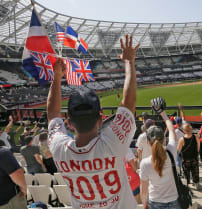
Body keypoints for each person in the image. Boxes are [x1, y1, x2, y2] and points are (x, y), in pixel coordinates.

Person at [47, 35, 140, 209]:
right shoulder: (114, 143)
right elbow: (129, 103)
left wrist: (57, 77)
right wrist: (129, 61)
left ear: (69, 122)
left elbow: (52, 115)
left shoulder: (59, 147)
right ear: (100, 119)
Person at [140, 101, 180, 209]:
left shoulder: (144, 163)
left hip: (155, 201)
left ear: (148, 142)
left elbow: (143, 190)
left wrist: (144, 204)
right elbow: (171, 130)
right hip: (174, 199)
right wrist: (162, 113)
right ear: (163, 140)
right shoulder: (171, 151)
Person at [177, 123, 200, 190]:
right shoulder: (196, 137)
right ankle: (196, 183)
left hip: (186, 159)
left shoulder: (182, 139)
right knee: (195, 172)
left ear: (184, 130)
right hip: (194, 158)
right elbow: (198, 147)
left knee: (186, 173)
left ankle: (187, 184)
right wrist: (196, 152)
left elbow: (178, 149)